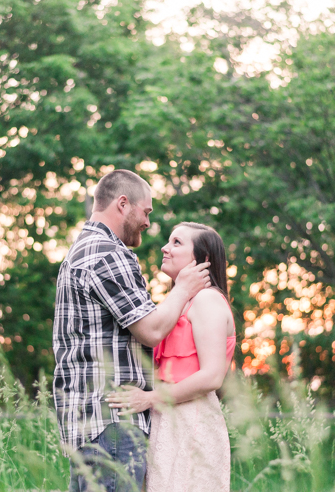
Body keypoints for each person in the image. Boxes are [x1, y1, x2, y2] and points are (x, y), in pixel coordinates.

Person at [53, 169, 212, 492]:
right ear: (123, 204)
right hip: (113, 422)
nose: (148, 223)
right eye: (146, 211)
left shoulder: (82, 250)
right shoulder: (107, 253)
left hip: (91, 422)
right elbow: (152, 330)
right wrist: (181, 289)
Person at [107, 222, 236, 492]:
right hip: (167, 418)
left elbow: (212, 376)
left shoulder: (207, 301)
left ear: (203, 259)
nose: (165, 248)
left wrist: (149, 399)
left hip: (193, 419)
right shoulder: (180, 304)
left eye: (177, 243)